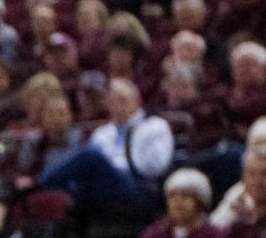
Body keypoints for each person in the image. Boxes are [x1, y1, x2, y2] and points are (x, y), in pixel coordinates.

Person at [39, 76, 171, 224]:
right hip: (103, 188)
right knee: (75, 185)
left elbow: (155, 168)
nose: (118, 106)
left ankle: (39, 184)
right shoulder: (102, 133)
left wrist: (113, 165)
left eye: (123, 100)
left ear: (137, 101)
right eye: (113, 101)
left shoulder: (154, 127)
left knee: (91, 157)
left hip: (139, 188)